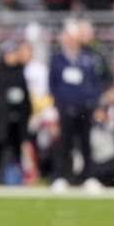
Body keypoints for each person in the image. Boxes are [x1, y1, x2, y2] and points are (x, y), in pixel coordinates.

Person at [48, 21, 105, 192]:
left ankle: (88, 177)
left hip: (84, 108)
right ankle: (61, 177)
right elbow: (53, 85)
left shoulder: (88, 58)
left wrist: (94, 103)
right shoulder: (57, 59)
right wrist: (59, 103)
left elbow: (95, 83)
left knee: (86, 143)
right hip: (65, 108)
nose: (71, 41)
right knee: (64, 144)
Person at [0, 40, 31, 184]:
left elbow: (25, 94)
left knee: (16, 147)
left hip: (18, 116)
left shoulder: (20, 69)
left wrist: (27, 112)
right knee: (1, 145)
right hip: (2, 117)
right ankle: (0, 175)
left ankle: (15, 176)